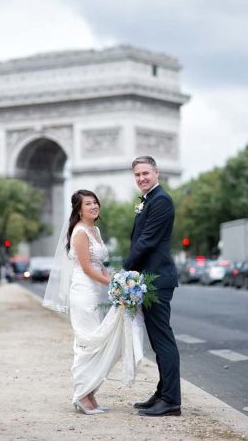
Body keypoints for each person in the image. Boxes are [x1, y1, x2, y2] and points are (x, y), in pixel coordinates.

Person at [43, 189, 145, 415]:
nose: (93, 206)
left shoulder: (95, 230)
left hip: (97, 292)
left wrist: (119, 282)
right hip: (84, 293)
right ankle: (81, 395)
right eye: (88, 204)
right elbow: (88, 269)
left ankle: (90, 394)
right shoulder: (80, 232)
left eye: (95, 202)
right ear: (79, 210)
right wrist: (114, 285)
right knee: (88, 343)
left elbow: (100, 265)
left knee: (100, 343)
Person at [125, 156, 181, 417]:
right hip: (151, 278)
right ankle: (162, 393)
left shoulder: (161, 200)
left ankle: (171, 400)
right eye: (137, 175)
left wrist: (124, 271)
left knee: (163, 341)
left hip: (157, 279)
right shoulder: (149, 200)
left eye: (145, 173)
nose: (141, 178)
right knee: (159, 342)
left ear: (157, 172)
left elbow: (146, 241)